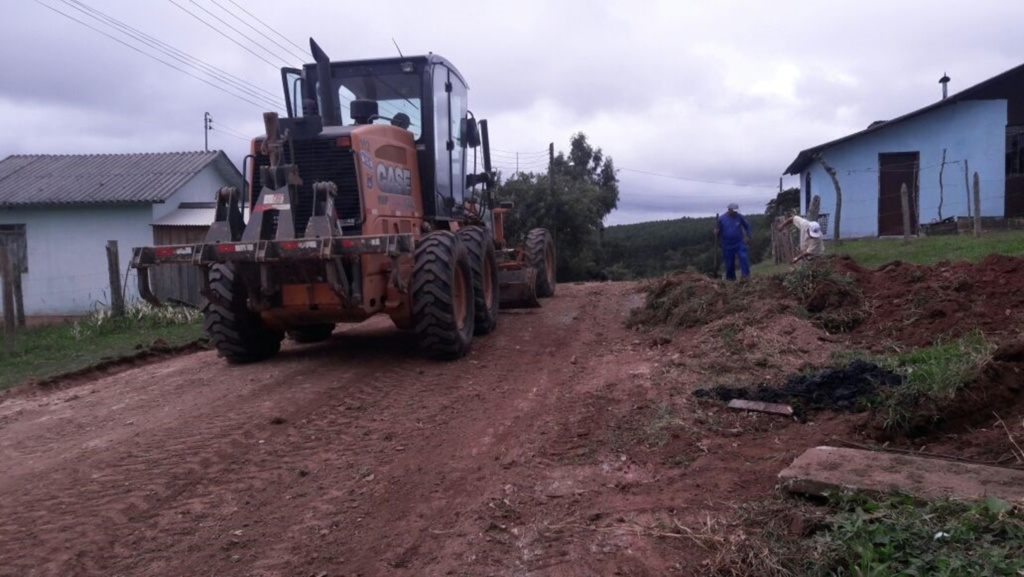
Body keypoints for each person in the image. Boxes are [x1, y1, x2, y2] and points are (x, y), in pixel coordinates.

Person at [715, 202, 751, 280]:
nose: (735, 212)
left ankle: (745, 276)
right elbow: (718, 231)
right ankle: (731, 279)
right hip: (727, 244)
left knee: (743, 257)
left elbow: (747, 226)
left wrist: (748, 236)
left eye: (736, 211)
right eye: (733, 211)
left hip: (739, 242)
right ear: (729, 209)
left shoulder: (739, 217)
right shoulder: (721, 219)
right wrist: (716, 232)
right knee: (729, 263)